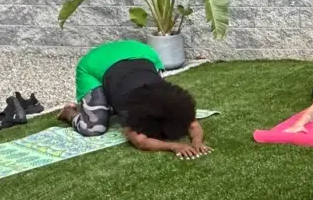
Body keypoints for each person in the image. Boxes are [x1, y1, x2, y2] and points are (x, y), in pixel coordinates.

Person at [57, 40, 210, 159]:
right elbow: (140, 141)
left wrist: (197, 142)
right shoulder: (131, 109)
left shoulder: (169, 100)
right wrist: (173, 146)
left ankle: (106, 101)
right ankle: (70, 112)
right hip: (95, 63)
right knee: (93, 129)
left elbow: (193, 124)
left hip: (141, 52)